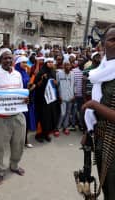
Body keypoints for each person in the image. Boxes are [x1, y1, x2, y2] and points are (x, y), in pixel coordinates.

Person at [83, 24, 115, 200]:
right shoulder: (101, 72)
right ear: (103, 45)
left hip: (113, 142)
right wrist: (88, 133)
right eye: (112, 40)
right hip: (102, 138)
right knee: (106, 188)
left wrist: (95, 105)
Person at [0, 49, 27, 185]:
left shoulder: (17, 74)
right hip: (1, 117)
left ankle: (14, 165)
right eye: (5, 58)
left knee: (19, 143)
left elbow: (20, 93)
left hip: (17, 115)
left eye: (10, 58)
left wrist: (25, 100)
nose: (8, 61)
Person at [34, 57, 60, 141]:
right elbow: (36, 85)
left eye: (51, 62)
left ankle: (46, 134)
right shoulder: (41, 72)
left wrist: (56, 84)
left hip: (51, 99)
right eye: (48, 62)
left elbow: (55, 84)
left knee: (49, 117)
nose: (50, 63)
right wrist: (42, 78)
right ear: (45, 63)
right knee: (42, 117)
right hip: (42, 99)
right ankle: (39, 135)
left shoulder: (53, 72)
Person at [14, 56, 35, 148]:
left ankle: (25, 140)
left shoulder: (25, 72)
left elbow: (26, 85)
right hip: (18, 101)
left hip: (26, 100)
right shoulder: (15, 74)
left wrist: (31, 87)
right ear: (18, 64)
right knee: (18, 122)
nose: (25, 64)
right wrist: (28, 89)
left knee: (25, 121)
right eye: (23, 62)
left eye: (26, 62)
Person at [56, 60, 75, 135]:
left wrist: (74, 95)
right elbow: (57, 85)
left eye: (69, 65)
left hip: (70, 97)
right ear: (63, 66)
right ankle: (57, 128)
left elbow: (74, 85)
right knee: (62, 113)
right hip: (62, 97)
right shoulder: (59, 73)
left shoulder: (72, 74)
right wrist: (58, 95)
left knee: (68, 113)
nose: (67, 66)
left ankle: (65, 127)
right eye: (66, 65)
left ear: (70, 66)